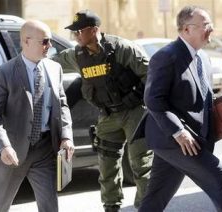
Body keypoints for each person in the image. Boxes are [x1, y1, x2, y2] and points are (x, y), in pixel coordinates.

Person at [138, 5, 222, 212]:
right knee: (221, 179)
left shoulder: (202, 58)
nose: (211, 29)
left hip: (189, 138)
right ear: (186, 29)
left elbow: (206, 101)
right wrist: (178, 132)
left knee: (156, 196)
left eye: (211, 24)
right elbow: (153, 99)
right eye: (205, 25)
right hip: (173, 139)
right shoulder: (166, 56)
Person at [54, 9, 153, 212]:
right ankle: (111, 206)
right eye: (74, 32)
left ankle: (147, 207)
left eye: (79, 31)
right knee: (107, 164)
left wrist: (135, 97)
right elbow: (50, 62)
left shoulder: (122, 49)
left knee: (141, 165)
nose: (76, 35)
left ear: (94, 30)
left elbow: (151, 75)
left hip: (134, 112)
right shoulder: (76, 55)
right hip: (107, 116)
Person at [0, 20, 74, 212]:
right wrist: (4, 146)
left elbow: (62, 105)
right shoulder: (5, 73)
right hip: (12, 152)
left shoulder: (54, 68)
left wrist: (66, 136)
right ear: (26, 41)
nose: (50, 46)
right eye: (45, 41)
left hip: (45, 150)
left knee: (50, 207)